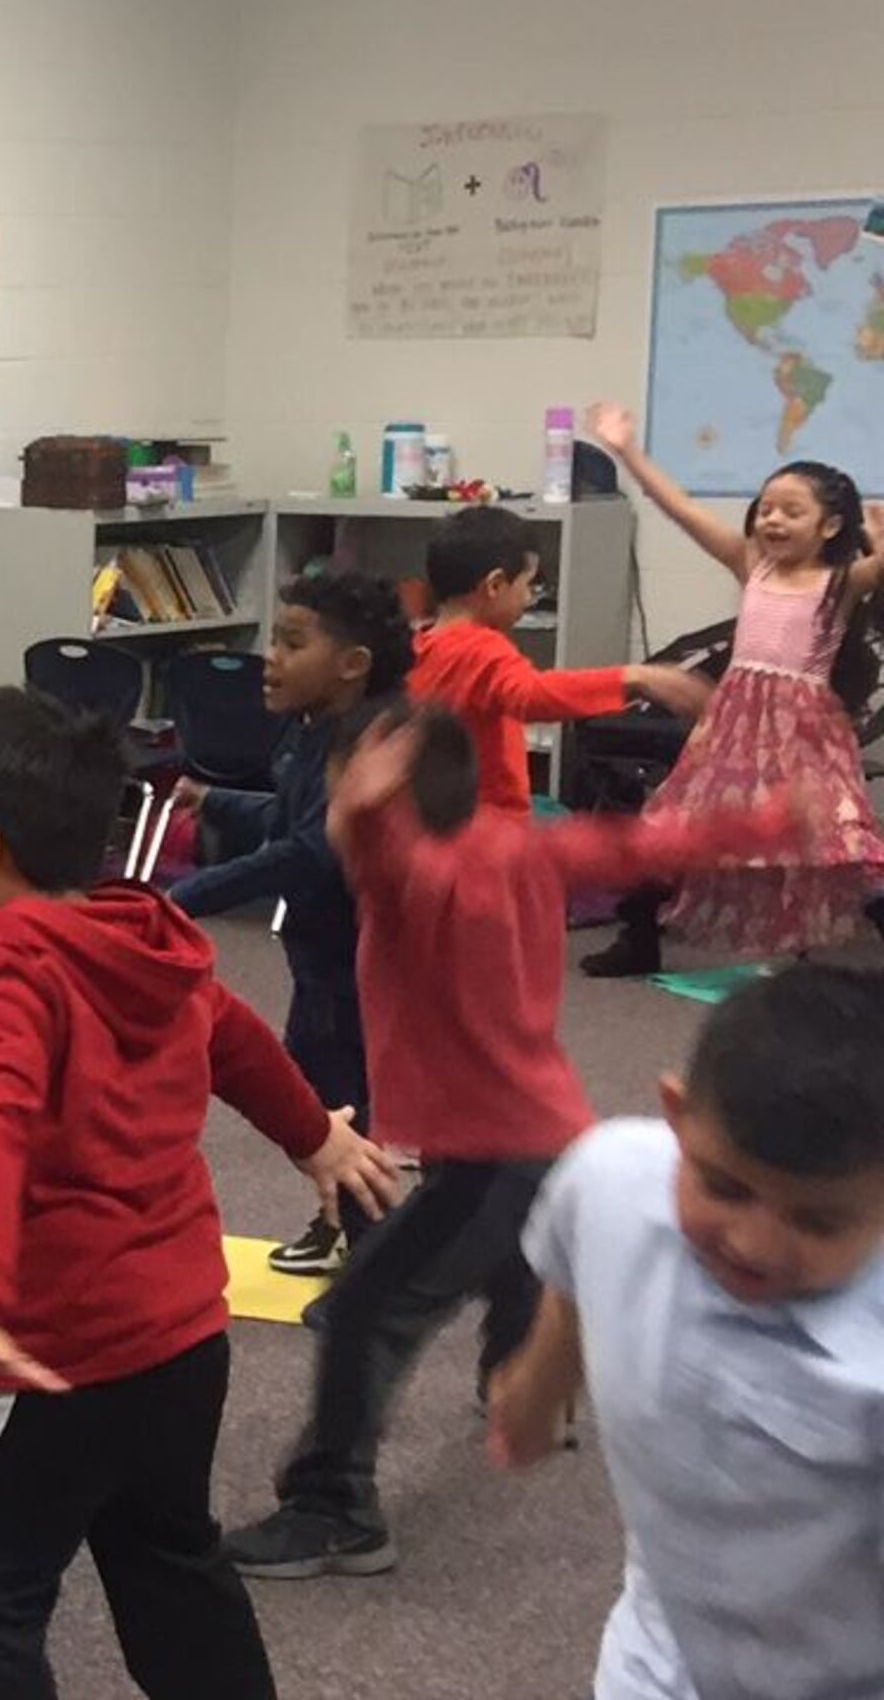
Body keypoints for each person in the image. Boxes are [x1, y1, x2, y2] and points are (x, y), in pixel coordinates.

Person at [0, 689, 401, 1700]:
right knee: (167, 1561)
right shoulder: (143, 938)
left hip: (50, 1353)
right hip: (178, 1337)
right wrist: (314, 1137)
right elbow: (231, 1033)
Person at [222, 702, 791, 1583]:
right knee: (516, 1258)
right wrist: (761, 821)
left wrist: (363, 804)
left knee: (370, 1309)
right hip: (533, 1134)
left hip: (500, 1147)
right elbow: (641, 847)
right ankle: (525, 1388)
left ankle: (334, 1509)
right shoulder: (517, 841)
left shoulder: (414, 865)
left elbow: (374, 854)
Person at [488, 963, 884, 1700]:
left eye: (816, 1221)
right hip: (661, 1654)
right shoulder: (611, 1176)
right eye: (725, 1187)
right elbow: (578, 1263)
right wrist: (540, 1384)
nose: (755, 1244)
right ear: (677, 1116)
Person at [168, 571, 414, 1276]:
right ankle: (342, 1216)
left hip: (365, 959)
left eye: (291, 643)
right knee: (315, 1090)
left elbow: (311, 851)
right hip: (320, 951)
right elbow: (288, 818)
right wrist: (213, 799)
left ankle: (372, 1265)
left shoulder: (372, 741)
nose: (269, 657)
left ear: (352, 664)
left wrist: (181, 899)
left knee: (349, 1104)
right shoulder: (314, 730)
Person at [579, 406, 884, 965]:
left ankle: (826, 944)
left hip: (804, 737)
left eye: (792, 511)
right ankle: (639, 939)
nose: (772, 520)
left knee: (835, 844)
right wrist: (627, 451)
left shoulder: (839, 583)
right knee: (674, 828)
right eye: (765, 508)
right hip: (734, 729)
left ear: (830, 526)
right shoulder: (751, 564)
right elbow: (680, 508)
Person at [404, 503, 708, 817]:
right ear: (494, 585)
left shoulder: (421, 644)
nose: (528, 597)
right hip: (487, 834)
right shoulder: (481, 648)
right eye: (527, 584)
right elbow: (531, 695)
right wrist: (637, 678)